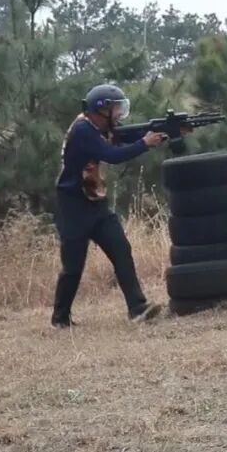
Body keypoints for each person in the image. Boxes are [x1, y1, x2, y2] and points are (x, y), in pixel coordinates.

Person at [51, 84, 170, 329]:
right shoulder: (83, 130)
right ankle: (60, 318)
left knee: (121, 250)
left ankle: (137, 308)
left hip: (96, 203)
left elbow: (126, 136)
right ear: (101, 110)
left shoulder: (99, 128)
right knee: (73, 267)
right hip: (72, 207)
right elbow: (112, 155)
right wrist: (145, 143)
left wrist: (167, 132)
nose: (119, 114)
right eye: (115, 108)